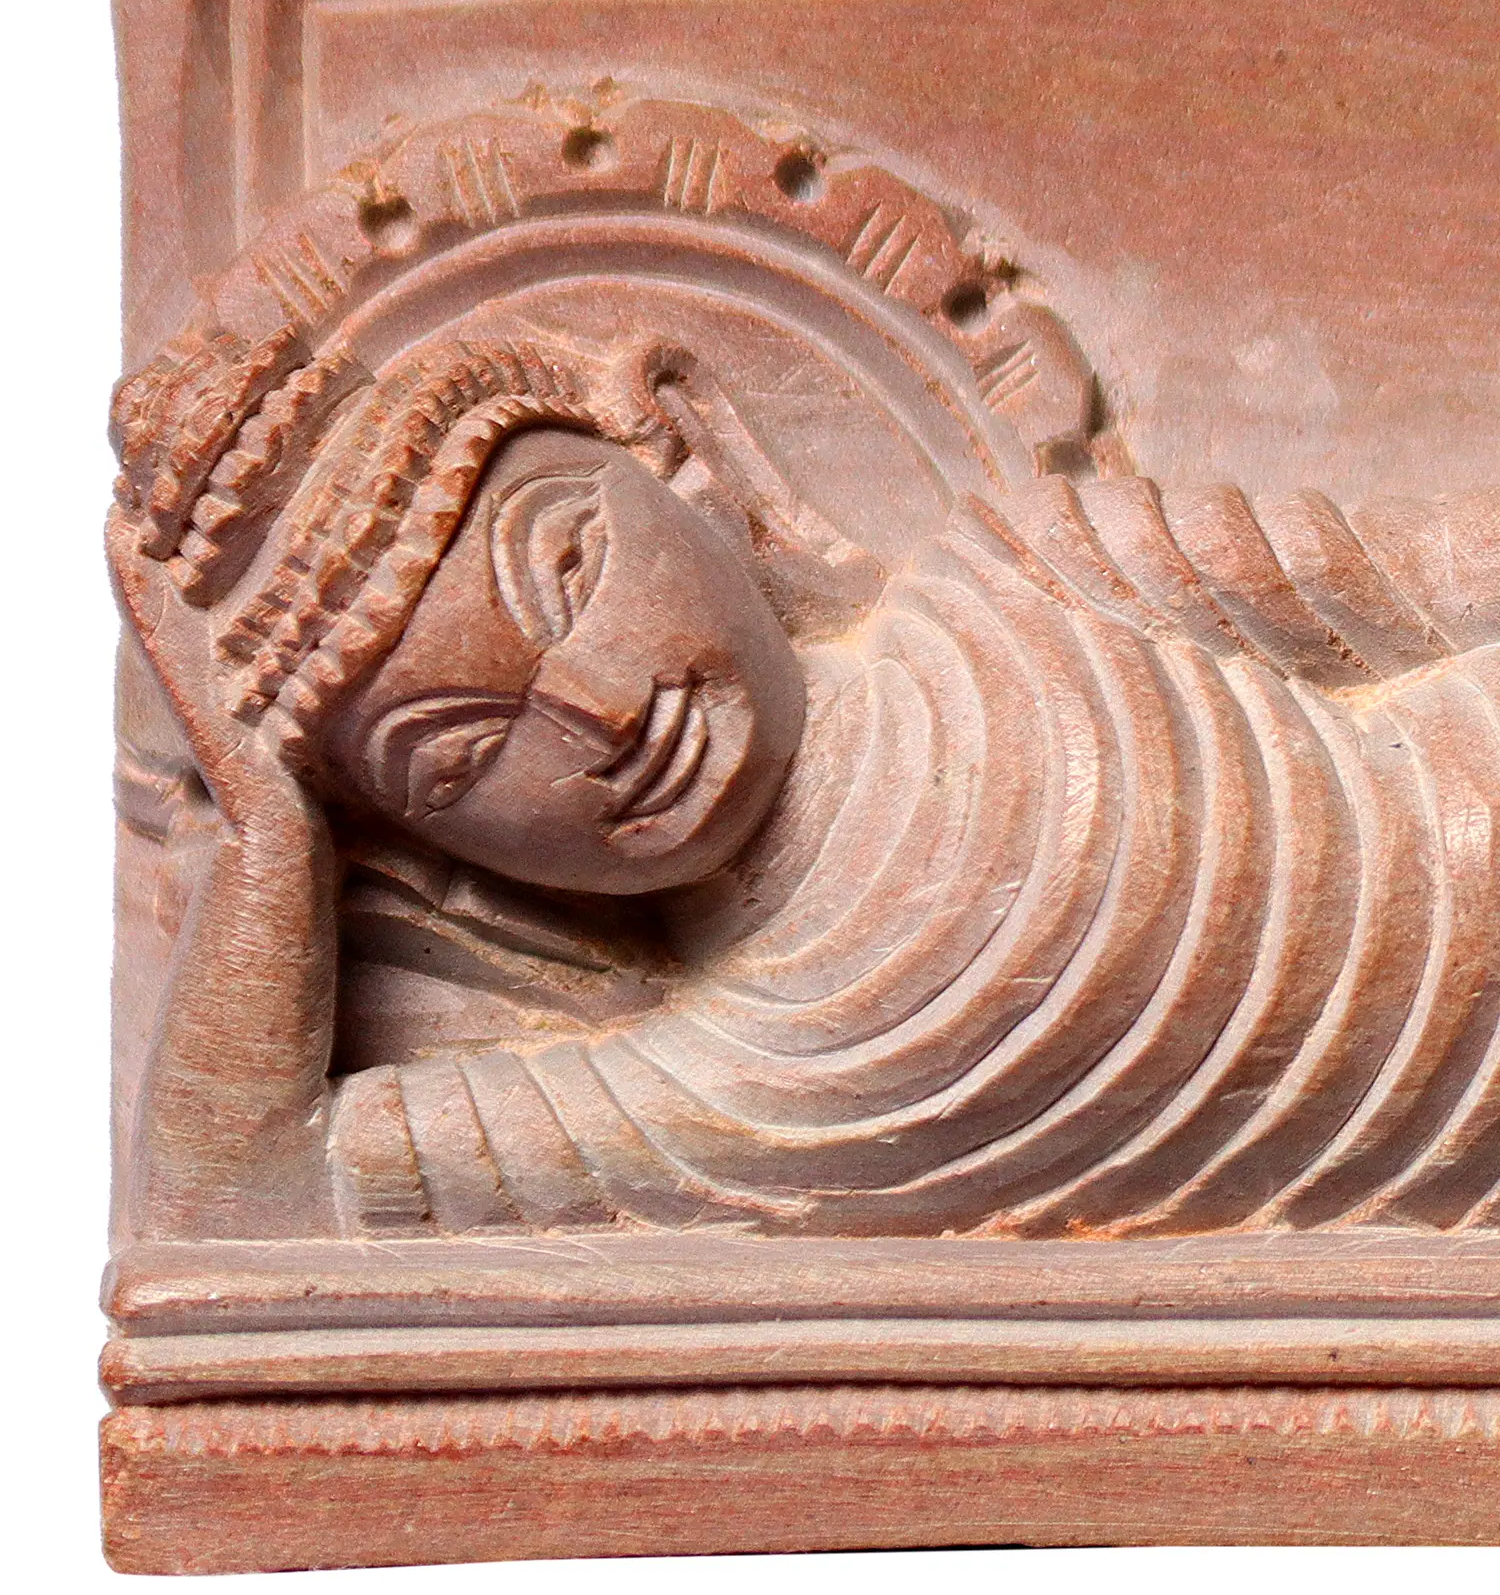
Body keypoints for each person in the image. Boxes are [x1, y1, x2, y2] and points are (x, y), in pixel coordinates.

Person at [110, 320, 1500, 1242]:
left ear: (683, 465)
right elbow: (235, 1195)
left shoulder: (1031, 572)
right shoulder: (744, 1077)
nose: (599, 714)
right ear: (446, 855)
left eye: (572, 570)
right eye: (458, 756)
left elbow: (1441, 574)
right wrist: (265, 825)